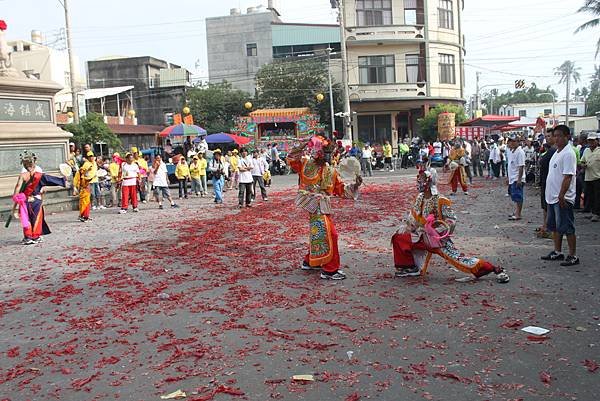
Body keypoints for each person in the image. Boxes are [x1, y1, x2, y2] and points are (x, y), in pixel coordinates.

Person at [391, 163, 510, 283]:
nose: (418, 183)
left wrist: (435, 231)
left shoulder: (440, 200)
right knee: (398, 237)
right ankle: (410, 268)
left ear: (429, 181)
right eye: (418, 180)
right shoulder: (420, 198)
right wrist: (409, 227)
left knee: (460, 260)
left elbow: (451, 220)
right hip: (420, 236)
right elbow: (413, 218)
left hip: (437, 240)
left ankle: (493, 268)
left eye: (421, 180)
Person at [288, 136, 362, 280]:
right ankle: (329, 270)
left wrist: (355, 185)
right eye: (325, 151)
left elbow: (341, 191)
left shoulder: (331, 171)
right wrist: (302, 145)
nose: (328, 155)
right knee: (330, 235)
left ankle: (311, 261)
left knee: (320, 234)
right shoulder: (306, 164)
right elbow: (291, 158)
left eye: (330, 152)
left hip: (323, 206)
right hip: (315, 206)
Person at [541, 125, 580, 266]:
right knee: (555, 227)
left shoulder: (568, 153)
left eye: (559, 136)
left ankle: (573, 255)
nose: (556, 138)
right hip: (552, 196)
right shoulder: (557, 152)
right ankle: (557, 251)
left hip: (562, 197)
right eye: (555, 136)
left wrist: (562, 195)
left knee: (567, 227)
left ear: (567, 137)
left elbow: (568, 176)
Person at [12, 153, 67, 244]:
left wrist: (16, 202)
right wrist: (63, 181)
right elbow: (50, 180)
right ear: (33, 163)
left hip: (25, 201)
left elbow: (17, 189)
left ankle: (28, 237)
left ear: (24, 164)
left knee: (27, 219)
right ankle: (36, 237)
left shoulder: (22, 176)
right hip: (36, 200)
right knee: (36, 218)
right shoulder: (39, 175)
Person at [537, 129, 557, 239]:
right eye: (546, 136)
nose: (547, 138)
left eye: (549, 136)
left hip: (551, 183)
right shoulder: (550, 150)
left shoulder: (554, 151)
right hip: (546, 181)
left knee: (549, 206)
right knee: (545, 206)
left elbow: (542, 162)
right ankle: (546, 226)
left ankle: (550, 228)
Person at [580, 132, 600, 222]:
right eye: (589, 141)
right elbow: (582, 161)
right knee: (590, 196)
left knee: (597, 196)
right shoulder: (586, 150)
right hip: (588, 177)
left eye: (593, 140)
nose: (591, 142)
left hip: (597, 177)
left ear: (597, 141)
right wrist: (583, 165)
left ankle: (597, 214)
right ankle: (593, 212)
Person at [506, 133, 526, 221]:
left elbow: (521, 167)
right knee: (514, 196)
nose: (511, 143)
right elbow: (510, 166)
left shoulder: (520, 152)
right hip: (512, 177)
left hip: (517, 178)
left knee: (518, 196)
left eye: (513, 141)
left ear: (517, 142)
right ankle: (516, 211)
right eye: (510, 141)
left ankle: (518, 214)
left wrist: (519, 179)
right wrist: (508, 177)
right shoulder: (511, 151)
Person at [77, 151, 96, 222]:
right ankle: (83, 216)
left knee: (87, 202)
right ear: (87, 158)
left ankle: (86, 215)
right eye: (90, 156)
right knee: (84, 202)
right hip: (84, 185)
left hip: (88, 184)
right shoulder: (87, 164)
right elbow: (82, 173)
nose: (91, 157)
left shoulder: (93, 163)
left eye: (92, 156)